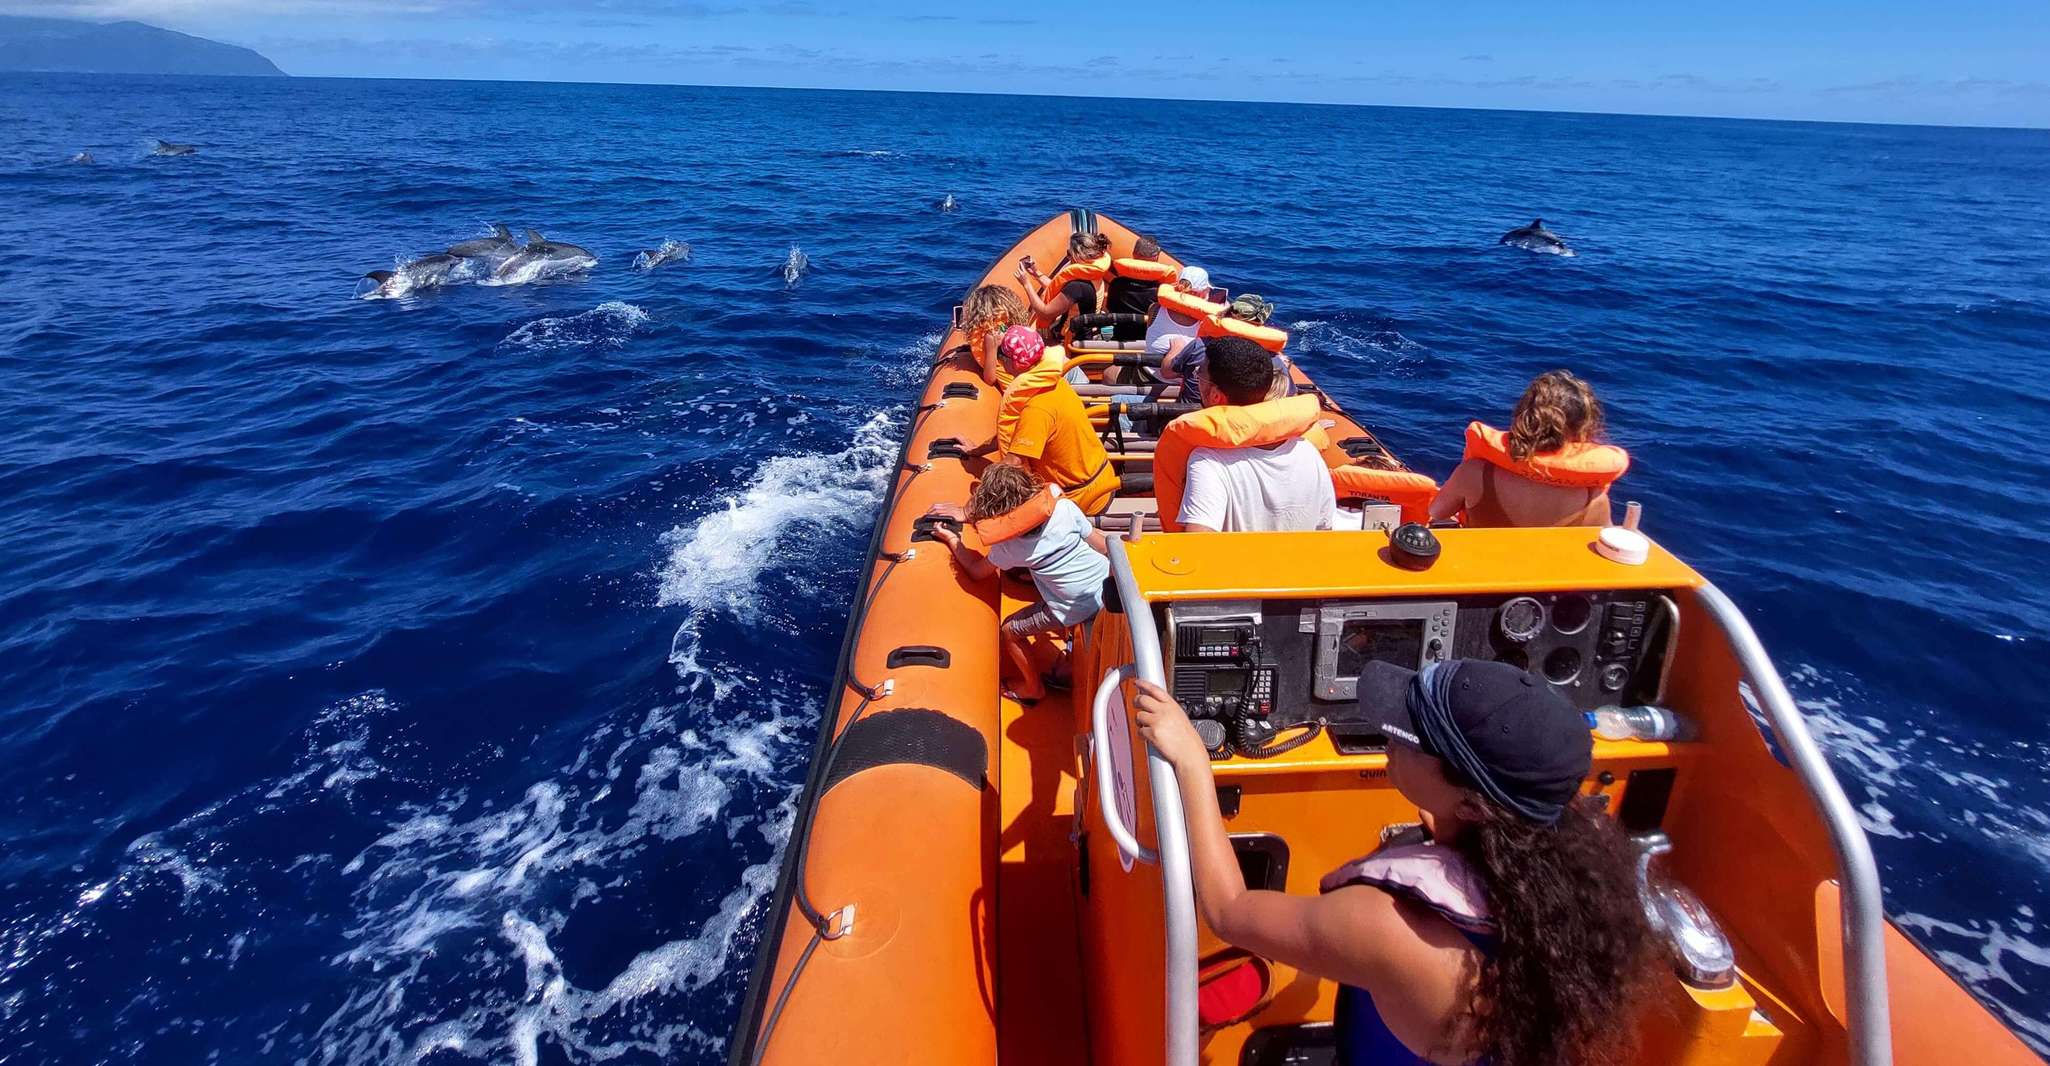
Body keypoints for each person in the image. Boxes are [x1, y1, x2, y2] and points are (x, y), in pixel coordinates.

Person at [1133, 658, 1656, 1065]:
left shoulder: (1388, 929)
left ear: (1473, 804)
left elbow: (1228, 909)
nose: (1389, 733)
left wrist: (1193, 763)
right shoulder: (1574, 886)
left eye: (1412, 733)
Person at [930, 464, 1109, 702]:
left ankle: (1032, 688)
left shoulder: (1010, 547)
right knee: (1055, 589)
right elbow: (1103, 546)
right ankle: (1069, 653)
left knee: (1010, 630)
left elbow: (976, 572)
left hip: (1076, 606)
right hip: (1106, 585)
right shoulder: (1065, 508)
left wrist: (953, 540)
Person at [943, 326, 1116, 516]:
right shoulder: (1053, 384)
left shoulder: (1037, 407)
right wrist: (978, 450)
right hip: (1101, 483)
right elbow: (1020, 434)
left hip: (1083, 500)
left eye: (1001, 355)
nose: (999, 360)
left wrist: (968, 510)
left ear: (1014, 363)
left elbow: (1012, 464)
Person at [1429, 370, 1624, 528]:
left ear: (1523, 415)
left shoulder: (1475, 473)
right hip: (1544, 576)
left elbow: (1437, 512)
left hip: (1476, 572)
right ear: (1583, 428)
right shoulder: (1594, 500)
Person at [1177, 336, 1335, 532]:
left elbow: (1196, 547)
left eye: (1199, 374)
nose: (1196, 378)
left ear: (1215, 395)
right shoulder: (1308, 453)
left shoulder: (1208, 462)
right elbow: (1324, 529)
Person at [1018, 231, 1112, 333]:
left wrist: (1026, 284)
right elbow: (1060, 290)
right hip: (1087, 327)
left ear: (1078, 255)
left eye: (1069, 253)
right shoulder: (1094, 274)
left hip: (1068, 336)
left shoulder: (1076, 287)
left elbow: (1045, 313)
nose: (1067, 257)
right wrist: (1036, 273)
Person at [960, 283, 1030, 388]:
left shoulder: (990, 337)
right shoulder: (1014, 330)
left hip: (1021, 392)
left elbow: (990, 379)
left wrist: (991, 348)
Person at [1144, 265, 1213, 347]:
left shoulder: (1155, 308)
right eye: (1207, 290)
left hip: (1150, 356)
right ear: (1199, 293)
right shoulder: (1205, 321)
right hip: (1185, 359)